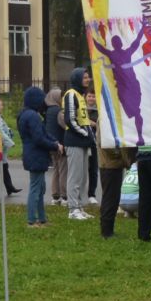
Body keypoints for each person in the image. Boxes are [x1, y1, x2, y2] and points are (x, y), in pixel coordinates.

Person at [18, 86, 60, 227]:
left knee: (40, 188)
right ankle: (31, 220)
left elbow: (43, 134)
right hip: (36, 155)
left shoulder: (26, 114)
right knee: (36, 188)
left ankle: (42, 218)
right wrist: (55, 145)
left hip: (32, 155)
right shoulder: (33, 116)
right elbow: (39, 138)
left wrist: (54, 141)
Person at [60, 66, 96, 220]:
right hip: (74, 141)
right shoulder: (70, 94)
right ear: (77, 79)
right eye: (85, 77)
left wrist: (90, 138)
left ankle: (79, 207)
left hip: (83, 142)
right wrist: (83, 133)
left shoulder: (81, 95)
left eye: (88, 77)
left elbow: (84, 120)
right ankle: (72, 209)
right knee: (74, 177)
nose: (87, 79)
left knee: (82, 177)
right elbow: (70, 119)